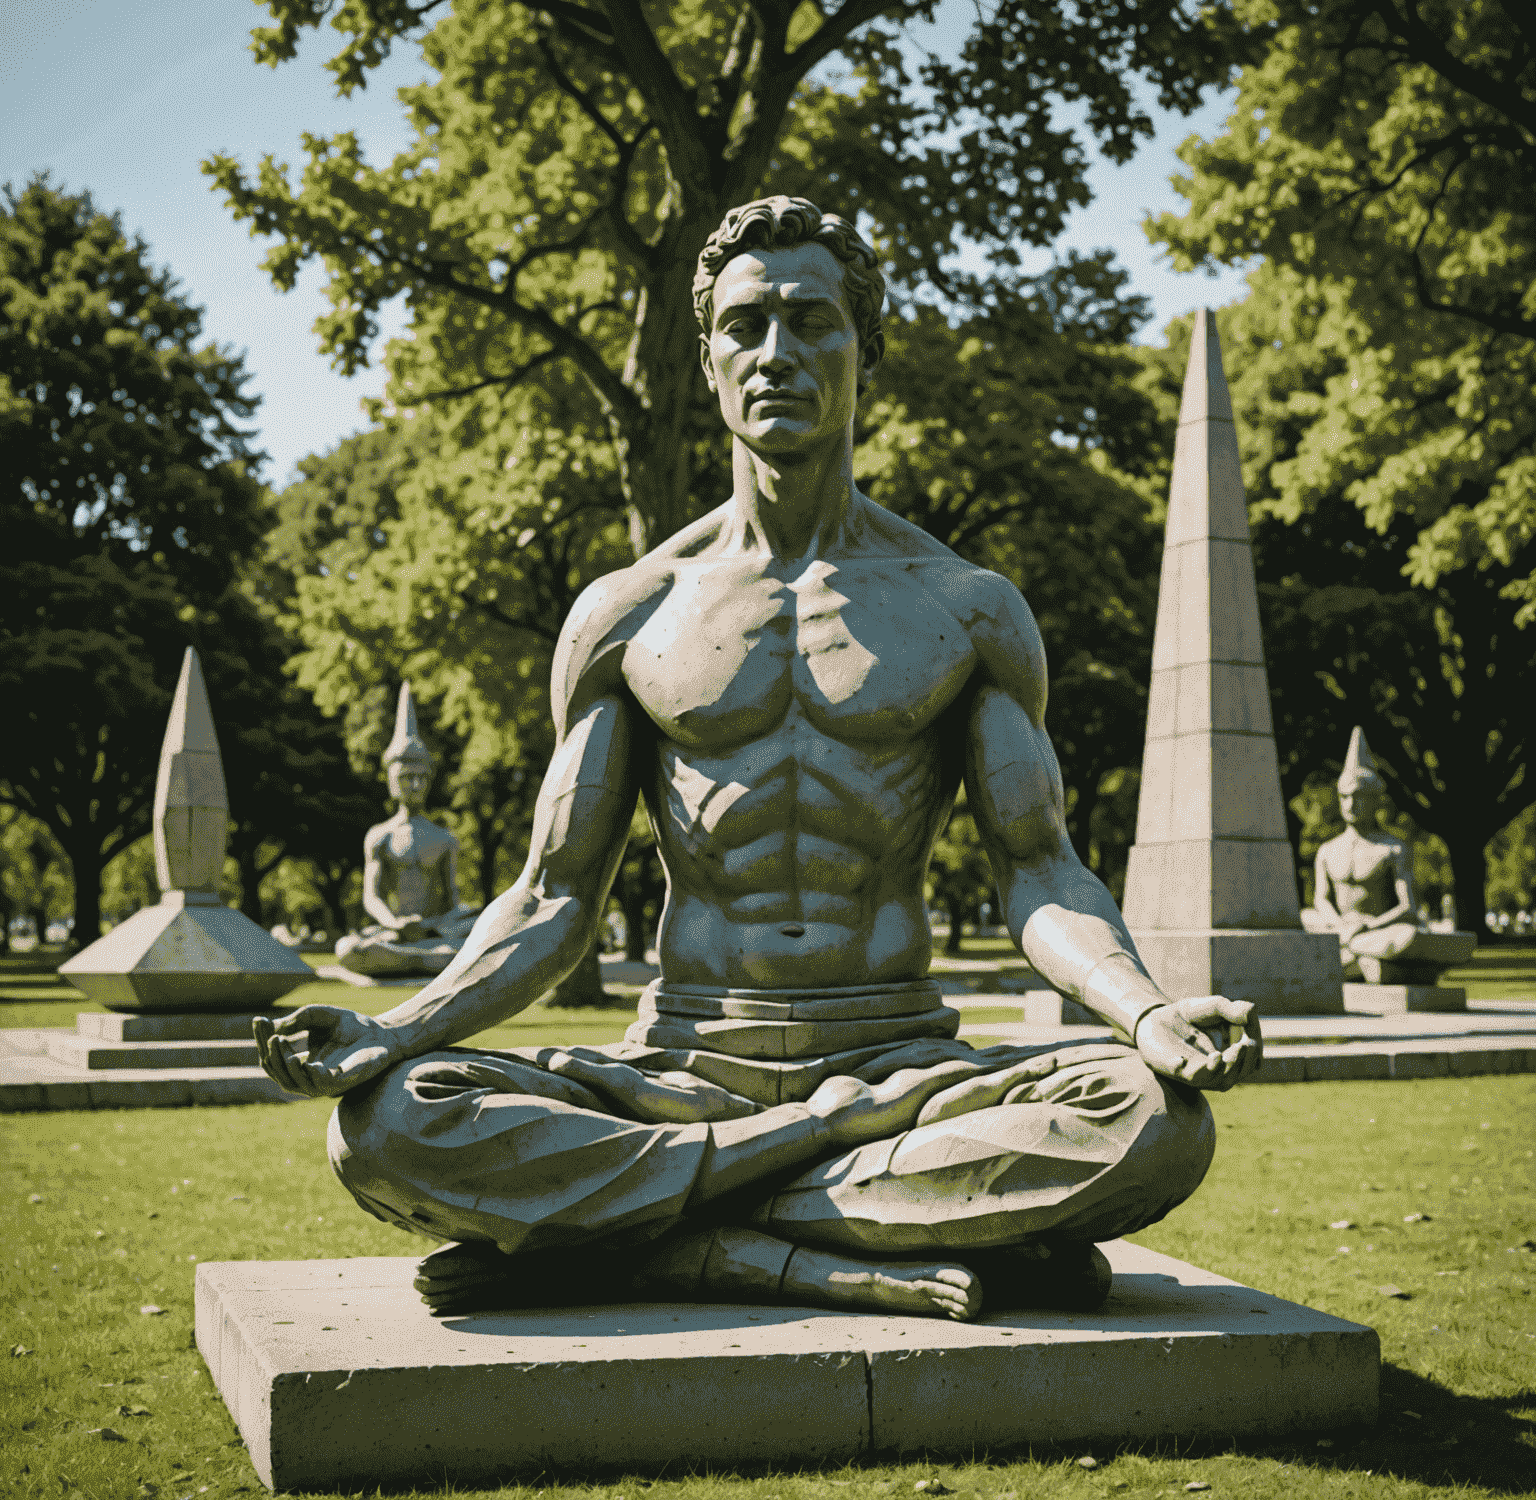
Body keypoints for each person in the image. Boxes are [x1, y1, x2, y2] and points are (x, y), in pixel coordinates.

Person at [256, 197, 1262, 1322]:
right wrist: (396, 1031)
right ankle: (815, 1221)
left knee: (1155, 1121)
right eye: (745, 325)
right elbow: (552, 896)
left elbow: (1039, 870)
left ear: (864, 347)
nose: (776, 354)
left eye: (811, 320)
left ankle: (651, 1240)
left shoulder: (967, 610)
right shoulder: (629, 614)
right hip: (681, 1074)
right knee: (389, 1123)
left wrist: (1142, 1012)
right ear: (708, 356)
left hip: (902, 1075)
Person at [1301, 727, 1473, 981]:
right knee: (1305, 917)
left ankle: (1347, 955)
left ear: (1374, 800)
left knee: (1404, 936)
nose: (1350, 804)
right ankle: (1362, 957)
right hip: (1340, 928)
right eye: (1345, 797)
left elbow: (1408, 907)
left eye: (1359, 797)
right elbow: (1321, 900)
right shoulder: (1327, 850)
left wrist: (1369, 925)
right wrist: (1341, 927)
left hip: (1377, 928)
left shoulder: (1393, 848)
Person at [333, 684, 478, 977]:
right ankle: (419, 957)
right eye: (407, 777)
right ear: (391, 780)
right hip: (391, 935)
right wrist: (395, 923)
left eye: (422, 778)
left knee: (479, 922)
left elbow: (452, 900)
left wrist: (433, 926)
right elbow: (371, 897)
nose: (415, 785)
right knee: (348, 948)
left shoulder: (444, 839)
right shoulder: (379, 835)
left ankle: (422, 956)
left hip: (433, 934)